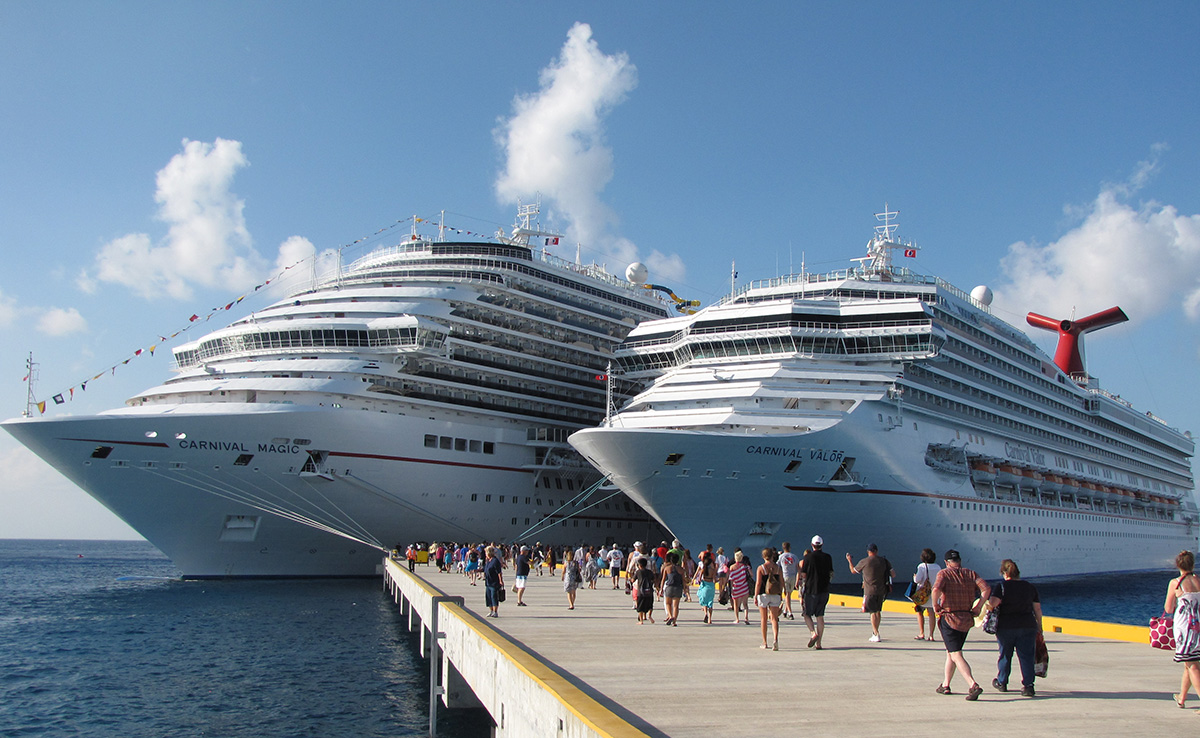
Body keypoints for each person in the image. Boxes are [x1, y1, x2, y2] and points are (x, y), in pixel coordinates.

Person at [931, 549, 991, 700]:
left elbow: (936, 589)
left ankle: (973, 685)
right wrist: (979, 606)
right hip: (966, 619)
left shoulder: (944, 574)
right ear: (960, 560)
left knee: (955, 654)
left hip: (949, 618)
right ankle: (945, 685)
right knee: (951, 652)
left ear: (946, 562)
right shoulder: (971, 574)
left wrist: (935, 605)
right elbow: (986, 589)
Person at [986, 559, 1042, 696]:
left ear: (1005, 573)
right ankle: (1028, 686)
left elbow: (993, 603)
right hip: (1027, 625)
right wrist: (1039, 627)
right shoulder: (1030, 587)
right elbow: (1037, 609)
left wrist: (986, 606)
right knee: (1027, 656)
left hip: (1006, 626)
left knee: (1005, 654)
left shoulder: (1002, 587)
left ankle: (1002, 682)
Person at [1165, 549, 1200, 708]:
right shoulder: (1198, 580)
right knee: (1190, 663)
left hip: (1185, 629)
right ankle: (1182, 698)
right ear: (1192, 564)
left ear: (1178, 565)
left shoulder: (1176, 583)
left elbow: (1168, 609)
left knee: (1192, 665)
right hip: (1198, 626)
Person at [847, 543, 894, 642]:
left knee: (872, 612)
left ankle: (876, 633)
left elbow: (853, 571)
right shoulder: (884, 561)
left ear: (868, 551)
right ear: (876, 551)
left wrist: (849, 560)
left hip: (869, 591)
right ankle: (875, 632)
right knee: (878, 611)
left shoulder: (864, 561)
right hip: (881, 590)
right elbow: (893, 574)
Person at [800, 535, 834, 649]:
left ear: (812, 545)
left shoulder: (808, 557)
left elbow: (803, 574)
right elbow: (831, 573)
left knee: (806, 614)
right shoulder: (828, 557)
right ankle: (819, 643)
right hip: (824, 590)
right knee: (820, 616)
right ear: (822, 545)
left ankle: (813, 633)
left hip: (811, 590)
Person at [756, 548, 784, 650]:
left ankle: (765, 642)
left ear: (763, 556)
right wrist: (781, 594)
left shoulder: (761, 568)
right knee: (774, 618)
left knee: (763, 619)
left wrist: (755, 595)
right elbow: (782, 582)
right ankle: (775, 639)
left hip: (763, 594)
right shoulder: (778, 568)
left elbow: (758, 583)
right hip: (775, 594)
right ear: (772, 556)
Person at [913, 548, 941, 641]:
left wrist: (914, 577)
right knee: (931, 613)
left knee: (919, 612)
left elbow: (917, 580)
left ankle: (922, 633)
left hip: (922, 594)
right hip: (933, 593)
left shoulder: (922, 566)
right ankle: (931, 635)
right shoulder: (937, 567)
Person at [660, 552, 685, 626]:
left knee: (668, 603)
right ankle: (674, 622)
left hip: (669, 587)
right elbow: (683, 580)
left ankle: (670, 616)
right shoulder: (681, 569)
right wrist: (685, 589)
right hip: (678, 587)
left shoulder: (667, 568)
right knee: (676, 606)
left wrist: (661, 589)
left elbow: (663, 579)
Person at [728, 550, 753, 625]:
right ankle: (746, 618)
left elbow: (731, 579)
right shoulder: (745, 566)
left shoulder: (732, 567)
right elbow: (751, 575)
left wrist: (731, 589)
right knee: (745, 604)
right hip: (744, 587)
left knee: (736, 605)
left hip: (736, 587)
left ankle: (737, 619)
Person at [695, 550, 718, 624]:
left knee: (704, 602)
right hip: (711, 586)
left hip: (705, 584)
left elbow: (699, 579)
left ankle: (705, 613)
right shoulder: (713, 570)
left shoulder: (703, 569)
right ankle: (710, 619)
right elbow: (715, 579)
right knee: (710, 603)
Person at [778, 541, 799, 620]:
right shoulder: (794, 556)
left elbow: (777, 566)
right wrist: (798, 579)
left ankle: (790, 612)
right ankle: (785, 611)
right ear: (789, 548)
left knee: (787, 594)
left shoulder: (781, 557)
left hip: (785, 576)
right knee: (788, 594)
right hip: (793, 576)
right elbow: (798, 568)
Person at [483, 545, 504, 618]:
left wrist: (501, 581)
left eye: (486, 552)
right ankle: (491, 611)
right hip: (488, 582)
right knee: (488, 597)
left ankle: (495, 611)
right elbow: (485, 569)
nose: (485, 554)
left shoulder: (495, 561)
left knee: (494, 597)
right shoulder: (488, 561)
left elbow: (499, 572)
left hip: (494, 582)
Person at [633, 558, 656, 624]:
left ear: (639, 565)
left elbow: (633, 579)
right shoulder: (650, 572)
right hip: (649, 591)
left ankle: (641, 620)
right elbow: (654, 579)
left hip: (641, 592)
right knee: (650, 605)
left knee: (640, 607)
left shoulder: (638, 572)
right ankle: (649, 616)